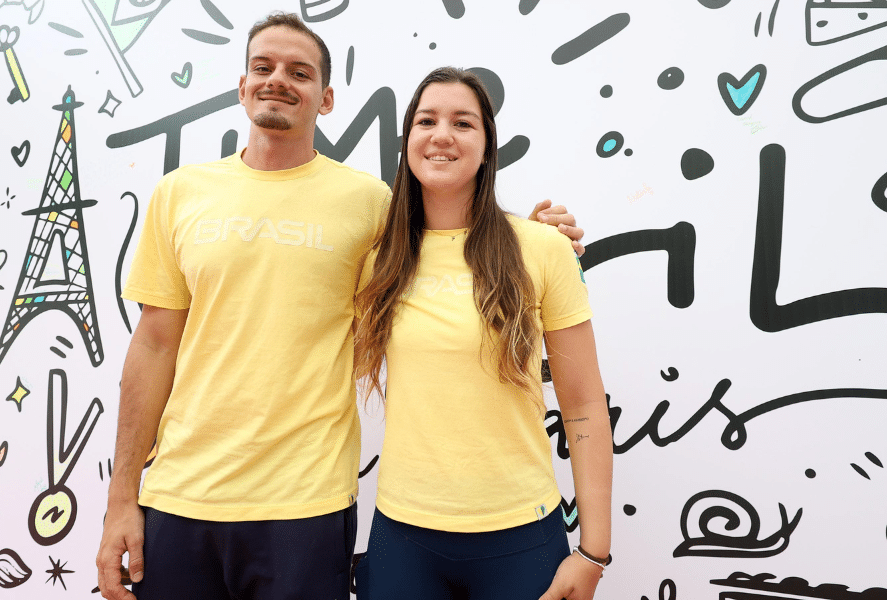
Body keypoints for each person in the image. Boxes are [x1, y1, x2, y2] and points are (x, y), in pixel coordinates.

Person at [95, 13, 586, 600]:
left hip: (307, 504)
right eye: (264, 67)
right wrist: (121, 498)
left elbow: (449, 246)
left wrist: (529, 241)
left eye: (299, 72)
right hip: (178, 497)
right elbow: (152, 346)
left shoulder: (369, 204)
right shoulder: (180, 193)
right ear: (242, 85)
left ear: (325, 98)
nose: (278, 80)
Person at [353, 67, 613, 600]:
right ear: (408, 141)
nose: (442, 134)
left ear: (487, 146)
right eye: (427, 120)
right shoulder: (377, 259)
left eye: (463, 122)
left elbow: (584, 404)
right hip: (403, 537)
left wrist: (594, 552)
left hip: (521, 537)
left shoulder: (541, 248)